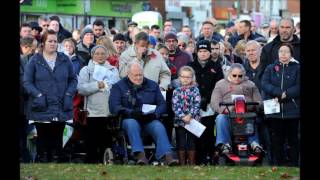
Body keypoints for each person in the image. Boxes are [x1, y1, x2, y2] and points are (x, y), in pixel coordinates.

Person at [23, 29, 77, 162]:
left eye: (55, 41)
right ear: (43, 43)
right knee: (42, 138)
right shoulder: (35, 60)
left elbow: (73, 79)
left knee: (57, 138)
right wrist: (38, 95)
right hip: (41, 106)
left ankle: (56, 164)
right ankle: (42, 163)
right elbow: (27, 82)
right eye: (50, 41)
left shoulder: (65, 59)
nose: (53, 44)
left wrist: (69, 94)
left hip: (61, 105)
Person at [109, 62, 178, 166]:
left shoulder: (153, 85)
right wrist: (131, 112)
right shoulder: (118, 86)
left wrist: (155, 114)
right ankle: (139, 155)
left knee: (158, 126)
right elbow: (114, 106)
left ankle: (167, 156)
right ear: (128, 74)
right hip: (129, 118)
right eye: (135, 75)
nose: (138, 78)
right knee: (132, 124)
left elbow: (162, 104)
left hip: (149, 118)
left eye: (140, 74)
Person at [77, 45, 120, 163]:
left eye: (102, 53)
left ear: (107, 55)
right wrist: (97, 85)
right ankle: (91, 161)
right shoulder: (85, 70)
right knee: (92, 139)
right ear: (92, 55)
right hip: (92, 111)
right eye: (97, 53)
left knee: (105, 139)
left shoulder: (113, 70)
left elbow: (117, 87)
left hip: (108, 110)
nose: (100, 56)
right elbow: (81, 89)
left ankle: (105, 160)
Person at [210, 63, 263, 155]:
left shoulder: (250, 84)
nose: (237, 78)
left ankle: (254, 144)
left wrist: (248, 106)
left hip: (246, 113)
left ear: (244, 75)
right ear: (229, 74)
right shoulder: (221, 84)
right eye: (234, 75)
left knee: (252, 117)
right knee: (220, 118)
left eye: (240, 76)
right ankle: (224, 144)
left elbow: (259, 102)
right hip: (228, 114)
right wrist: (226, 109)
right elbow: (214, 102)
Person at [261, 43, 300, 167]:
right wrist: (278, 92)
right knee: (277, 140)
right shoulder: (270, 68)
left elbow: (299, 86)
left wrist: (286, 94)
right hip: (274, 111)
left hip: (292, 111)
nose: (283, 54)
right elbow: (264, 83)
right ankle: (279, 164)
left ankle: (294, 164)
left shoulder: (297, 68)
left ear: (291, 54)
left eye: (286, 52)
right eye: (281, 51)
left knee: (293, 139)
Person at [188, 40, 224, 165]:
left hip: (210, 105)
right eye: (200, 51)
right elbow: (187, 84)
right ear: (196, 52)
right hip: (193, 104)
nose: (203, 54)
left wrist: (207, 99)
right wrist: (198, 99)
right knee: (196, 132)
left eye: (205, 51)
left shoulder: (216, 66)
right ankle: (198, 158)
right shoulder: (191, 65)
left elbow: (219, 86)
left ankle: (210, 156)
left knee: (209, 131)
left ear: (210, 52)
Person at [172, 66, 201, 165]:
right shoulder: (176, 91)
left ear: (192, 78)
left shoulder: (195, 90)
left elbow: (196, 104)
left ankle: (192, 163)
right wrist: (182, 116)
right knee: (181, 142)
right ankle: (182, 163)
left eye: (188, 77)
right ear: (179, 77)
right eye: (183, 76)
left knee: (191, 142)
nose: (185, 79)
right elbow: (175, 106)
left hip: (192, 121)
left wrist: (190, 115)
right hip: (180, 121)